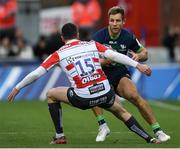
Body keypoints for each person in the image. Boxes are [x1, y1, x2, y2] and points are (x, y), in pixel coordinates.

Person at [8, 23, 160, 144]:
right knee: (121, 111)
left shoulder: (58, 54)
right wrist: (138, 65)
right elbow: (115, 55)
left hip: (83, 99)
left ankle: (60, 136)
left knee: (51, 94)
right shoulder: (92, 45)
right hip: (105, 93)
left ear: (62, 38)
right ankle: (149, 138)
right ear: (78, 34)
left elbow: (36, 73)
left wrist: (17, 87)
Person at [91, 6, 170, 142]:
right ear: (108, 21)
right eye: (112, 21)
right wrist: (105, 61)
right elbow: (90, 61)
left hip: (119, 72)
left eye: (118, 21)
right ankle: (103, 126)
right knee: (91, 91)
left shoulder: (128, 36)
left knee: (134, 96)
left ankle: (158, 131)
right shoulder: (98, 37)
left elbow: (145, 53)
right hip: (101, 73)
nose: (115, 24)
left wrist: (139, 56)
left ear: (123, 22)